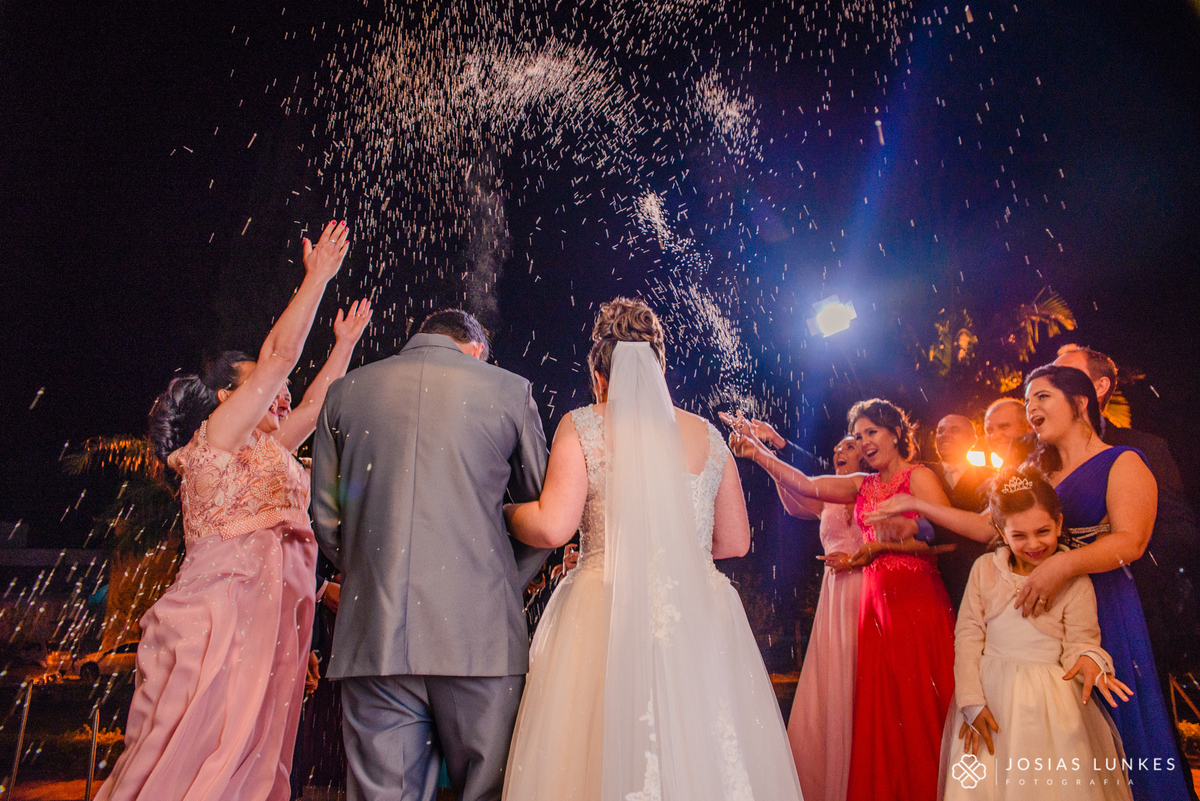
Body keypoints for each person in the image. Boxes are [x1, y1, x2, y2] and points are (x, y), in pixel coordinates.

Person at [99, 221, 370, 800]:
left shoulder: (268, 452)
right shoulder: (215, 443)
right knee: (198, 760)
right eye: (266, 388)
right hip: (218, 625)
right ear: (228, 398)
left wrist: (345, 344)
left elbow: (317, 404)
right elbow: (279, 356)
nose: (281, 393)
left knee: (253, 760)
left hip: (269, 628)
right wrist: (317, 278)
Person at [501, 298, 804, 801]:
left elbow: (553, 528)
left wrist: (506, 511)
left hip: (603, 605)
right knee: (700, 747)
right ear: (660, 369)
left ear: (599, 375)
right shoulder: (708, 435)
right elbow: (736, 542)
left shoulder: (583, 425)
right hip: (696, 611)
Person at [869, 365, 1192, 801]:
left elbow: (1131, 541)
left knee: (1116, 722)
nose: (1030, 408)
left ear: (1080, 402)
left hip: (1105, 604)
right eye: (1027, 401)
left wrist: (1061, 567)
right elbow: (986, 527)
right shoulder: (1038, 472)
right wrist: (916, 503)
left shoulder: (1124, 461)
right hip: (1040, 616)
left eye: (1042, 396)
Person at [310, 308, 550, 801]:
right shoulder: (510, 390)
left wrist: (374, 575)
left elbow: (328, 521)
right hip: (481, 640)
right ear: (477, 349)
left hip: (375, 638)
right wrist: (500, 580)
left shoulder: (345, 392)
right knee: (488, 793)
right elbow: (544, 519)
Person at [728, 398, 957, 801]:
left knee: (919, 703)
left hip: (916, 601)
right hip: (875, 606)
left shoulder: (919, 477)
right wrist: (758, 453)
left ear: (896, 434)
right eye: (859, 435)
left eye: (872, 432)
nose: (865, 442)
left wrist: (890, 543)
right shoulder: (861, 485)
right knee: (883, 712)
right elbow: (806, 485)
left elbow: (949, 539)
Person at [940, 465, 1132, 800]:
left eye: (1043, 531)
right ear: (1001, 532)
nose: (1033, 544)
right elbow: (968, 637)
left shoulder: (1075, 580)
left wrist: (1090, 660)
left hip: (1051, 704)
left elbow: (1081, 642)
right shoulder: (984, 570)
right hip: (991, 698)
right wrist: (970, 702)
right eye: (1019, 536)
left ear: (1059, 523)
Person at [719, 431, 864, 801]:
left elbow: (803, 480)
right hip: (835, 596)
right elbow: (794, 496)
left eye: (849, 446)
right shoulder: (827, 499)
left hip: (866, 590)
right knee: (835, 689)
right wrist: (761, 450)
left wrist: (761, 448)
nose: (839, 450)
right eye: (837, 446)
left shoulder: (870, 490)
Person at [1054, 345, 1200, 694]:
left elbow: (1179, 530)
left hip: (1125, 599)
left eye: (1065, 377)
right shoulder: (1041, 454)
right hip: (1056, 604)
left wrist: (1118, 545)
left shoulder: (1143, 447)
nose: (1054, 385)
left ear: (1099, 387)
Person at [930, 414, 995, 608]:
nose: (945, 435)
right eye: (940, 431)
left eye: (954, 430)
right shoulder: (922, 474)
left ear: (972, 440)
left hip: (974, 576)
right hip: (931, 577)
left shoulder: (990, 477)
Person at [983, 398, 1034, 467]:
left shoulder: (1044, 468)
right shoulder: (1011, 470)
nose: (995, 436)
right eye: (989, 430)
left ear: (1030, 427)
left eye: (1004, 427)